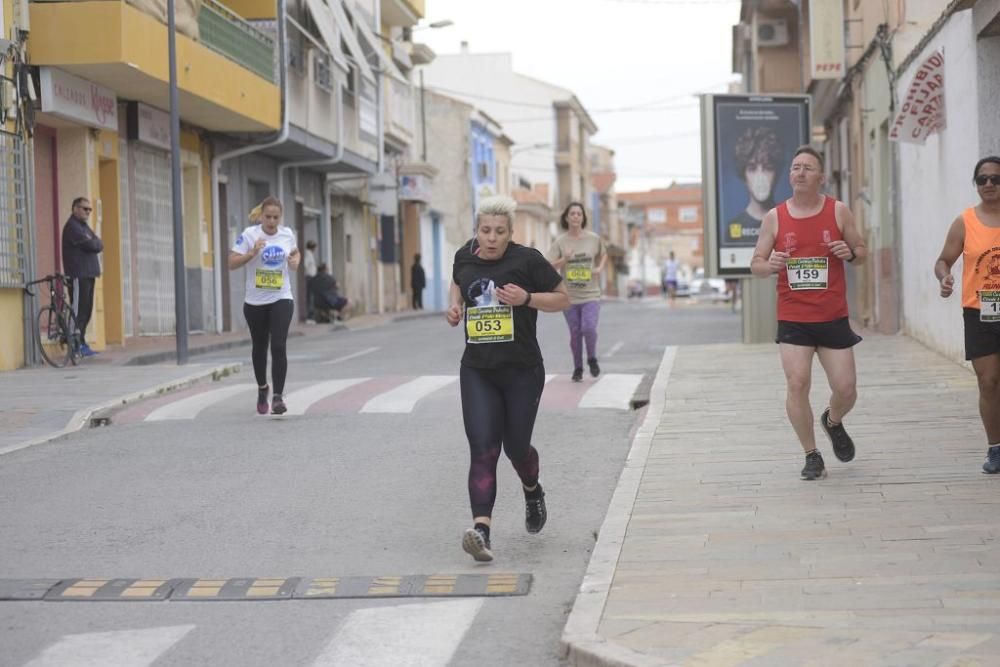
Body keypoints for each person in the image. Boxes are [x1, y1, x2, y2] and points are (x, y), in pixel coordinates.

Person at [446, 195, 569, 562]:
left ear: (511, 233)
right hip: (478, 370)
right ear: (477, 231)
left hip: (522, 370)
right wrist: (454, 307)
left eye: (500, 232)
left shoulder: (528, 260)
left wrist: (527, 298)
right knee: (483, 448)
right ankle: (481, 531)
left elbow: (563, 299)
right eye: (485, 230)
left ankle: (532, 490)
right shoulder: (464, 256)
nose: (492, 238)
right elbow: (458, 282)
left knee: (517, 448)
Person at [750, 146, 867, 481]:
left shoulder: (838, 211)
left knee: (846, 389)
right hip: (794, 317)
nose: (799, 172)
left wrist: (850, 253)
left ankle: (832, 421)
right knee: (797, 382)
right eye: (795, 166)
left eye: (807, 167)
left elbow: (861, 252)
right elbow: (756, 263)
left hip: (832, 316)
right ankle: (811, 454)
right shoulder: (775, 217)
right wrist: (768, 264)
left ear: (821, 177)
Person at [934, 155, 1000, 474]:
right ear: (975, 184)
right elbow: (943, 259)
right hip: (979, 312)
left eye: (996, 179)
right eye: (982, 179)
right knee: (988, 382)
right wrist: (944, 277)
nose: (989, 184)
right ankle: (995, 449)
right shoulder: (965, 221)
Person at [229, 196, 300, 415]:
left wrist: (295, 260)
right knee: (259, 347)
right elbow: (231, 263)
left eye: (275, 217)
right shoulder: (250, 235)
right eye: (267, 217)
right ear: (261, 216)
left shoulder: (287, 234)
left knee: (278, 346)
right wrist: (252, 253)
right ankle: (263, 388)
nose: (271, 221)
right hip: (255, 301)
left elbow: (295, 252)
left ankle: (278, 397)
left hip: (281, 297)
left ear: (280, 217)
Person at [547, 202, 607, 382]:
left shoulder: (593, 239)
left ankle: (592, 358)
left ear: (583, 218)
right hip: (569, 296)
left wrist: (599, 268)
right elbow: (547, 265)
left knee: (588, 327)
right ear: (566, 217)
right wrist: (564, 260)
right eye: (572, 213)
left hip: (591, 294)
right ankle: (578, 367)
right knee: (575, 332)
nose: (575, 216)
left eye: (579, 214)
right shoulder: (560, 241)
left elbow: (604, 254)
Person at [61, 196, 103, 357]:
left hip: (89, 273)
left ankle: (81, 342)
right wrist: (93, 242)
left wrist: (94, 242)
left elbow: (99, 244)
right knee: (78, 311)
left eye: (89, 209)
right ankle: (74, 343)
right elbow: (92, 244)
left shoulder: (84, 227)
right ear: (75, 209)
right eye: (84, 208)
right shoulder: (72, 227)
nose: (88, 212)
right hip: (78, 274)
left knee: (87, 311)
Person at [728, 126, 783, 244]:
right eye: (752, 169)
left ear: (777, 173)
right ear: (743, 176)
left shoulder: (789, 222)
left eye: (767, 168)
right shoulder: (733, 228)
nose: (760, 177)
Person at [303, 240, 318, 323]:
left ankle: (311, 317)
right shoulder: (308, 254)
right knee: (310, 297)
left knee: (311, 297)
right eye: (315, 247)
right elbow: (305, 265)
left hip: (311, 278)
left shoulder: (309, 254)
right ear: (312, 247)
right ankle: (310, 317)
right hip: (310, 278)